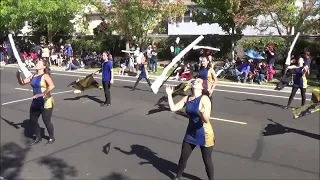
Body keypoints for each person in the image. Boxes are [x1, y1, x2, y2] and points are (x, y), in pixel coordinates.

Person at [166, 78, 214, 180]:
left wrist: (202, 112)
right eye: (195, 81)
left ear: (202, 87)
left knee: (207, 160)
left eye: (198, 81)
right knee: (183, 157)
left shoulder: (205, 99)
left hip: (204, 134)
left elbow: (206, 119)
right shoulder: (187, 98)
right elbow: (173, 108)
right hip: (191, 133)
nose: (195, 82)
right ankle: (177, 177)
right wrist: (169, 95)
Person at [16, 59, 55, 146]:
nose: (37, 64)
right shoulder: (33, 76)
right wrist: (18, 75)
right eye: (37, 62)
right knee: (33, 120)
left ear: (44, 66)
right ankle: (38, 137)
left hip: (46, 101)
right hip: (36, 101)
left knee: (46, 121)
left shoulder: (45, 76)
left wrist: (42, 94)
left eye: (39, 63)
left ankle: (51, 137)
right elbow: (22, 83)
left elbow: (52, 86)